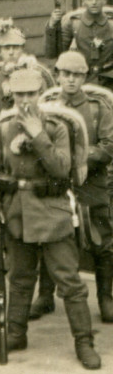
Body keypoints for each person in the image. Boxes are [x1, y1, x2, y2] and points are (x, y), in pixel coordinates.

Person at [0, 68, 101, 369]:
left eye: (31, 94)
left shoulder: (56, 126)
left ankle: (84, 341)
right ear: (11, 95)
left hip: (52, 211)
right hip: (17, 213)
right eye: (19, 95)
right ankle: (16, 333)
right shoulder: (4, 127)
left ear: (40, 94)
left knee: (69, 281)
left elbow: (62, 168)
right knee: (20, 278)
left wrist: (37, 135)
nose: (25, 101)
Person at [30, 50, 113, 323]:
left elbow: (109, 145)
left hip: (91, 184)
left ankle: (105, 298)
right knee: (50, 236)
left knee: (101, 242)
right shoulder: (48, 105)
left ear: (85, 76)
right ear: (57, 75)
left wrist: (78, 157)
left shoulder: (98, 106)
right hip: (56, 185)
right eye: (66, 74)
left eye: (77, 75)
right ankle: (45, 295)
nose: (71, 80)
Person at [45, 0, 113, 89]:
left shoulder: (111, 24)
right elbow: (57, 52)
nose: (94, 2)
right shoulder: (73, 23)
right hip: (81, 79)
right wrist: (52, 25)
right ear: (83, 1)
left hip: (109, 80)